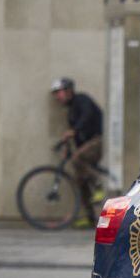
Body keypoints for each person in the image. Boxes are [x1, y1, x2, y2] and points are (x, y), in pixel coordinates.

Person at [50, 77, 103, 227]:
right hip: (87, 145)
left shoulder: (82, 99)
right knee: (79, 178)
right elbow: (76, 136)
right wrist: (66, 147)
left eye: (58, 93)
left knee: (77, 159)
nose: (57, 97)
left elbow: (87, 116)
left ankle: (98, 184)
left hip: (99, 141)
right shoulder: (70, 112)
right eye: (55, 94)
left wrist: (73, 131)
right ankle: (89, 217)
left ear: (68, 90)